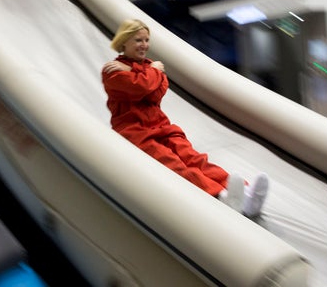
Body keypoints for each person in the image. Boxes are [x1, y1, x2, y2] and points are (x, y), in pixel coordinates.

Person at [101, 19, 269, 217]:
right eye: (138, 40)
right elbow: (142, 88)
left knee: (194, 158)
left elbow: (157, 92)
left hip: (161, 126)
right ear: (124, 42)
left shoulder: (148, 68)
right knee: (175, 165)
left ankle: (246, 194)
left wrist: (137, 71)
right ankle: (220, 195)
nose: (144, 45)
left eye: (147, 40)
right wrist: (152, 71)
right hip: (135, 132)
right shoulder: (112, 71)